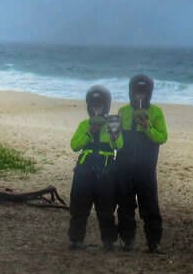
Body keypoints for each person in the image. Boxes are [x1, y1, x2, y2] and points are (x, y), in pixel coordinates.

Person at [116, 73, 168, 252]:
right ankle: (126, 240)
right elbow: (118, 142)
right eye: (136, 92)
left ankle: (154, 242)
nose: (140, 96)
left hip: (146, 167)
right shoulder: (123, 111)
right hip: (124, 166)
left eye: (143, 93)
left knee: (150, 205)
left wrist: (147, 126)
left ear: (149, 93)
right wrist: (114, 134)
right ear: (131, 92)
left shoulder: (155, 112)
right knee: (125, 205)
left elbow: (162, 137)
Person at [68, 84, 122, 250]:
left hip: (106, 169)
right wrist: (90, 132)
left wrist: (113, 133)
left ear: (106, 106)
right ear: (89, 107)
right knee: (79, 206)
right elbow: (75, 145)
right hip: (85, 168)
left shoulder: (113, 123)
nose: (96, 108)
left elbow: (119, 145)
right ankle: (76, 240)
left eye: (99, 105)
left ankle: (108, 241)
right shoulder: (85, 124)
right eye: (93, 105)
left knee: (106, 207)